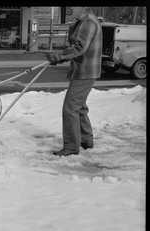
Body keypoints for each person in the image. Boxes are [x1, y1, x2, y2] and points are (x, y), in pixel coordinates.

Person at [46, 7, 102, 156]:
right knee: (79, 106)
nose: (69, 8)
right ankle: (86, 139)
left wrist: (59, 56)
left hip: (85, 72)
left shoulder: (88, 21)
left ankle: (71, 147)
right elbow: (79, 48)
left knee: (70, 108)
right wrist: (61, 58)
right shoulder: (84, 20)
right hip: (85, 70)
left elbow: (79, 47)